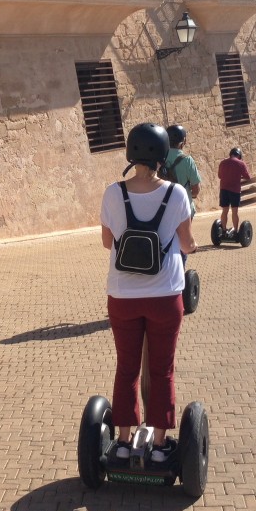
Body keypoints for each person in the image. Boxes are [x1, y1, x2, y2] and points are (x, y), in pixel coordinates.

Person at [100, 123, 196, 463]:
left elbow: (107, 242)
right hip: (165, 294)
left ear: (131, 154)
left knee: (126, 368)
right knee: (162, 368)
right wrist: (191, 245)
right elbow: (186, 243)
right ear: (163, 155)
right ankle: (158, 445)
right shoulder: (176, 194)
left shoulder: (113, 193)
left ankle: (124, 442)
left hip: (122, 295)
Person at [163, 124, 202, 219]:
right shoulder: (187, 160)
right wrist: (191, 194)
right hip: (184, 208)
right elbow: (196, 189)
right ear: (184, 141)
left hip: (165, 208)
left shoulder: (160, 158)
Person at [217, 147, 252, 236]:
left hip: (224, 189)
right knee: (234, 211)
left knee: (224, 210)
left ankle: (224, 230)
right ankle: (236, 231)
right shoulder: (241, 163)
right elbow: (248, 177)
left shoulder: (223, 162)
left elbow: (220, 176)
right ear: (239, 155)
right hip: (235, 190)